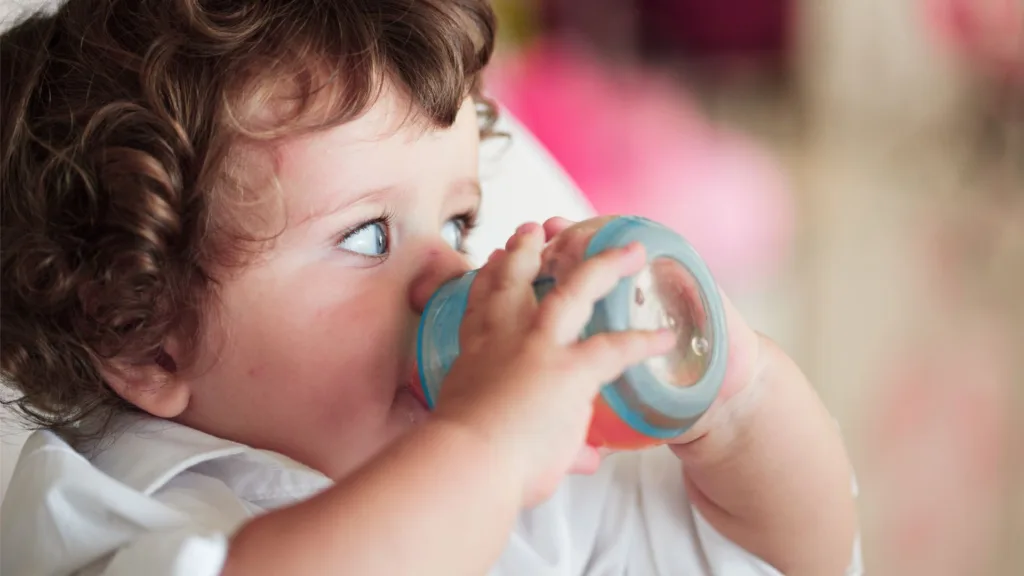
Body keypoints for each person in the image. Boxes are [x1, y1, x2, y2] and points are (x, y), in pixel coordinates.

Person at [0, 1, 860, 574]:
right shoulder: (110, 512)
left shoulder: (537, 483)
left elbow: (797, 556)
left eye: (458, 223)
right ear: (146, 335)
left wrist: (735, 401)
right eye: (368, 236)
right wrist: (491, 447)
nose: (453, 273)